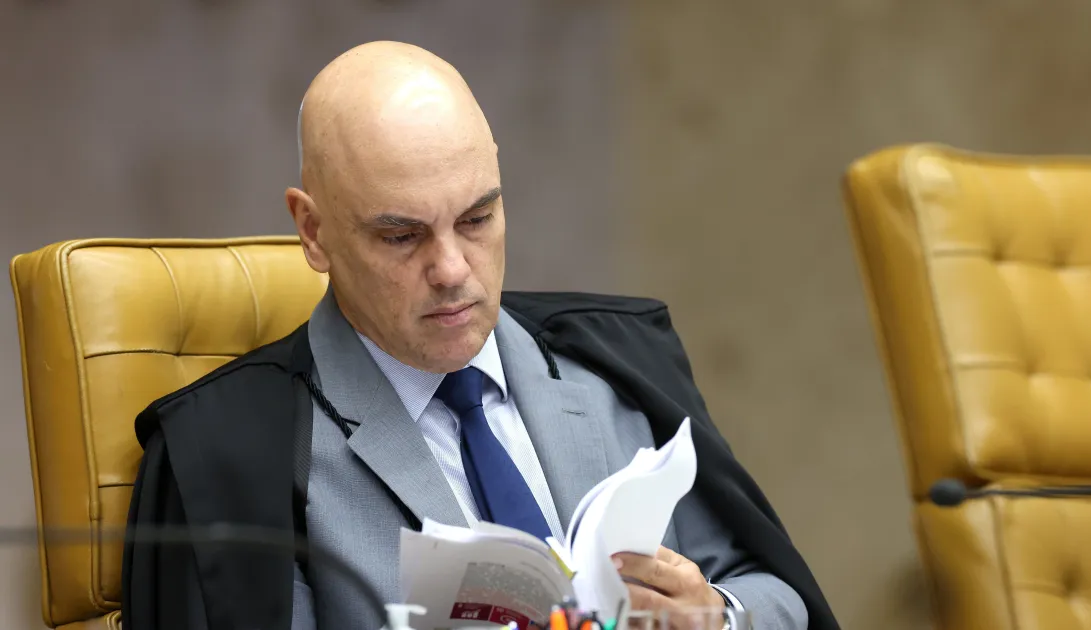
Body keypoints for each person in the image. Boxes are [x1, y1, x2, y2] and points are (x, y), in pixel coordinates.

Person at [120, 41, 839, 630]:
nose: (452, 269)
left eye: (477, 219)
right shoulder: (233, 456)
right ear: (313, 231)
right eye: (401, 236)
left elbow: (779, 594)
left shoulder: (614, 366)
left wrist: (718, 617)